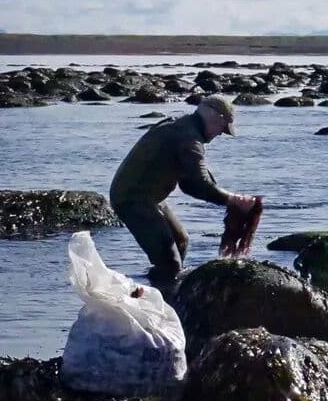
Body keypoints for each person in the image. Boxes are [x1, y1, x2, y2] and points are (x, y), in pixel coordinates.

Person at [108, 95, 257, 290]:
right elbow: (198, 185)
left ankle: (162, 289)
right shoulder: (188, 138)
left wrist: (227, 198)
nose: (221, 134)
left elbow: (191, 183)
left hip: (150, 196)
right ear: (217, 117)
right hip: (132, 199)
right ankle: (163, 298)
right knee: (170, 262)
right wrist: (234, 200)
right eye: (223, 128)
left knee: (181, 241)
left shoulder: (186, 127)